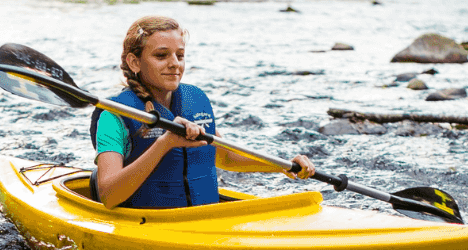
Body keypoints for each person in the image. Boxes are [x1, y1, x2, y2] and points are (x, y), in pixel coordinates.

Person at [91, 15, 315, 209]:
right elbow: (109, 196)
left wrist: (283, 165)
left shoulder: (194, 100)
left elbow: (224, 155)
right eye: (161, 56)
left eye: (180, 55)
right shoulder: (113, 116)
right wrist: (164, 144)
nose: (174, 64)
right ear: (134, 62)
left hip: (205, 218)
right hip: (149, 222)